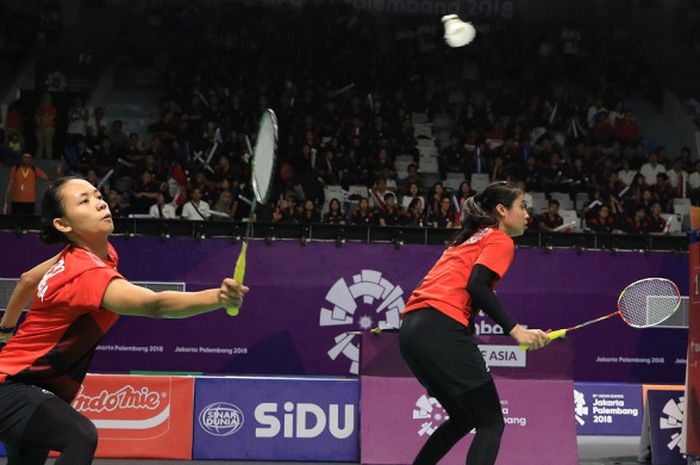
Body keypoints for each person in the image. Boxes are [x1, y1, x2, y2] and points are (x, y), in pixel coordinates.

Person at [0, 176, 247, 465]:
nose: (100, 202)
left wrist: (5, 330)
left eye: (97, 195)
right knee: (79, 436)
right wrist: (217, 298)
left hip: (30, 386)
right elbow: (156, 305)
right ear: (63, 225)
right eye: (84, 201)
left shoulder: (80, 257)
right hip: (11, 387)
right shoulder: (85, 273)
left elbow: (27, 279)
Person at [400, 181, 548, 465]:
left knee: (463, 418)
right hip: (440, 327)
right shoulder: (499, 239)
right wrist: (516, 330)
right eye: (522, 207)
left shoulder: (468, 239)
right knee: (491, 422)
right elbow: (477, 286)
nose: (528, 215)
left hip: (412, 331)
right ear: (502, 210)